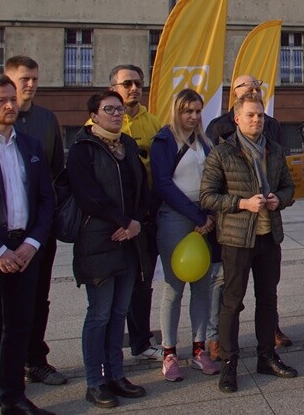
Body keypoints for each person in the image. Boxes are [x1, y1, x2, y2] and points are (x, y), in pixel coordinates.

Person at [0, 57, 67, 403]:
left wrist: (35, 238)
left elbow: (52, 182)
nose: (27, 87)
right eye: (22, 80)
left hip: (34, 239)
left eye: (33, 80)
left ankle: (28, 373)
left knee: (30, 309)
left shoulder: (43, 125)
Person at [199, 93, 297, 393]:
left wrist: (277, 199)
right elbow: (207, 197)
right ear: (237, 119)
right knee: (232, 302)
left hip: (269, 236)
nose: (257, 120)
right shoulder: (222, 153)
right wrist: (242, 203)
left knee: (268, 299)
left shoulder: (275, 150)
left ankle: (266, 356)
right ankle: (229, 364)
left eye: (260, 116)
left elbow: (289, 187)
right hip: (237, 239)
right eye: (250, 115)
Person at [68, 91, 152, 409]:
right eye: (109, 109)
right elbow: (88, 196)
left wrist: (136, 222)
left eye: (119, 110)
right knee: (99, 314)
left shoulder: (127, 145)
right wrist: (122, 220)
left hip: (130, 240)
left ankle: (116, 375)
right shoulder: (82, 149)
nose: (117, 114)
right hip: (98, 242)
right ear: (94, 115)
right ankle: (96, 381)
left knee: (119, 313)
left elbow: (142, 188)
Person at [150, 89, 219, 382]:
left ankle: (199, 347)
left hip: (204, 216)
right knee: (174, 286)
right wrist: (197, 217)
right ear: (176, 112)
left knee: (203, 285)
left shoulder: (205, 141)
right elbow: (163, 185)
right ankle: (169, 352)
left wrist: (211, 214)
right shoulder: (164, 140)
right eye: (187, 111)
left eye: (197, 111)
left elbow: (216, 178)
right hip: (176, 217)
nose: (193, 117)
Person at [107, 64, 163, 363]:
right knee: (113, 290)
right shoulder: (102, 124)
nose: (133, 88)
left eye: (138, 83)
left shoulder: (152, 121)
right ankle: (109, 352)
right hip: (114, 221)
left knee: (143, 282)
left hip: (146, 217)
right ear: (113, 87)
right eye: (126, 83)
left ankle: (141, 342)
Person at [205, 76, 282, 145]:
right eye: (250, 90)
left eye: (258, 90)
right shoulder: (218, 126)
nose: (255, 93)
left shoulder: (272, 124)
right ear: (235, 94)